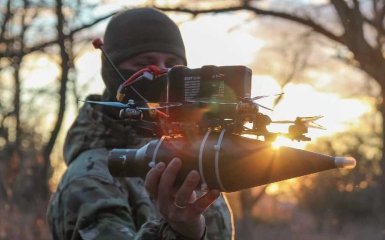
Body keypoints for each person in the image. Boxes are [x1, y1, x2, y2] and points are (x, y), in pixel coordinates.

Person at [47, 7, 234, 240]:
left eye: (173, 65)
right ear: (112, 70)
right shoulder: (91, 177)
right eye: (144, 64)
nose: (160, 73)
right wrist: (182, 233)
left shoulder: (189, 155)